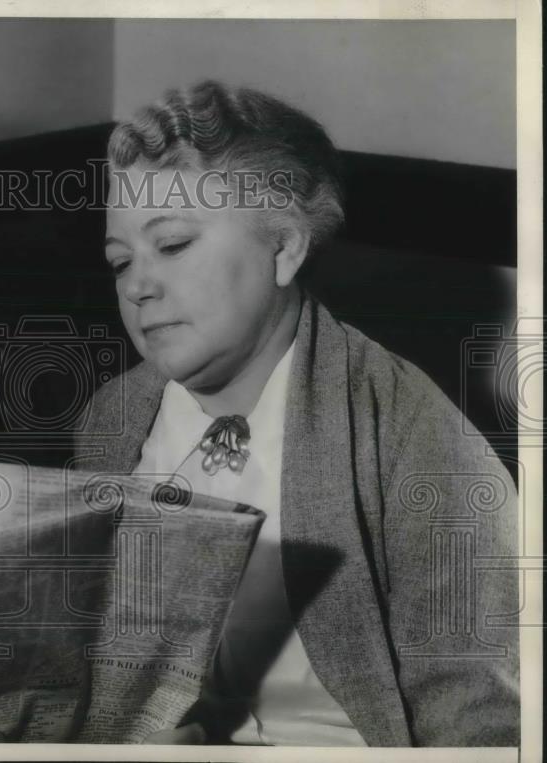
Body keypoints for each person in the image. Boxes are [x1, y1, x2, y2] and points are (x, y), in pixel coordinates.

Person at [76, 80, 519, 746]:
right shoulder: (111, 418)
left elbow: (479, 728)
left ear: (282, 248)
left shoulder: (418, 443)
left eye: (170, 245)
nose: (138, 285)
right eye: (119, 260)